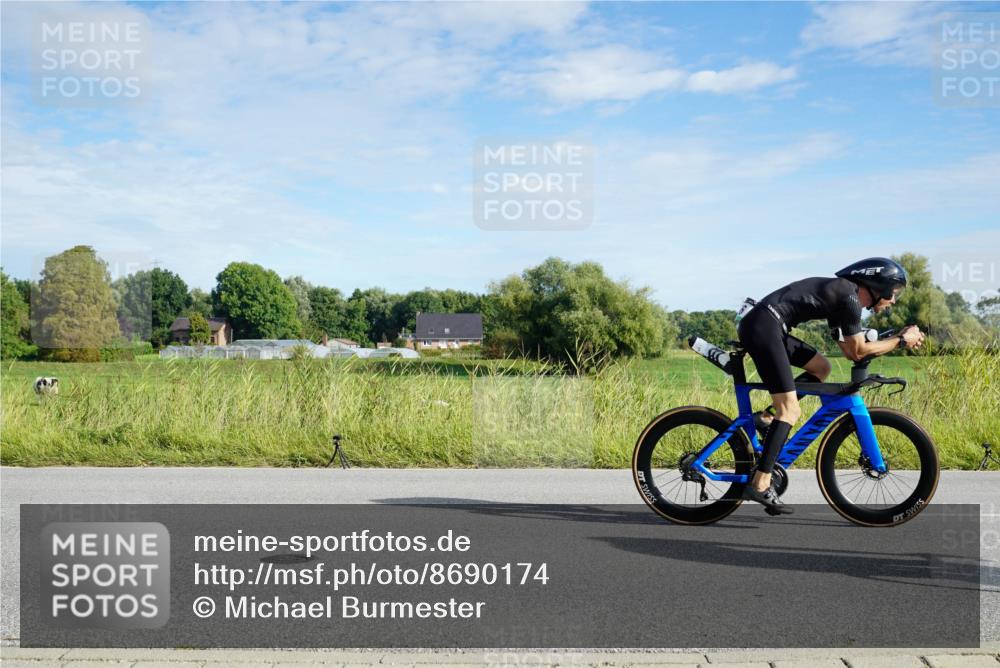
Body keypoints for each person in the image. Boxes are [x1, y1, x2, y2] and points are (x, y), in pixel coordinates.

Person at [736, 257, 925, 514]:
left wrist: (893, 339)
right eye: (893, 293)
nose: (893, 301)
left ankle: (766, 417)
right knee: (790, 411)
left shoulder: (844, 297)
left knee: (821, 368)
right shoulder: (848, 298)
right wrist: (901, 340)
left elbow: (850, 350)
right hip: (764, 326)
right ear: (878, 286)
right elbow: (858, 352)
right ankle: (760, 483)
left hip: (768, 324)